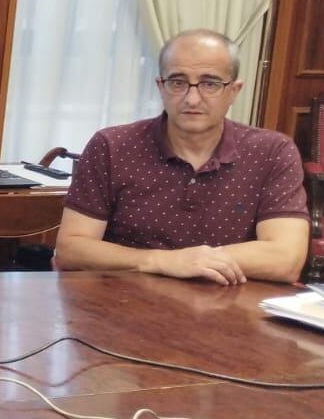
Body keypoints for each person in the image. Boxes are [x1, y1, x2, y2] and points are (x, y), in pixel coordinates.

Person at [55, 30, 307, 284]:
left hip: (229, 311)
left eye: (210, 84)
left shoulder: (272, 151)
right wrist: (163, 262)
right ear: (160, 87)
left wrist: (198, 261)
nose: (192, 98)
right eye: (178, 82)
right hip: (123, 304)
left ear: (234, 90)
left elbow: (285, 259)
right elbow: (72, 250)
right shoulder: (112, 146)